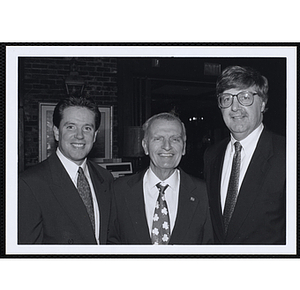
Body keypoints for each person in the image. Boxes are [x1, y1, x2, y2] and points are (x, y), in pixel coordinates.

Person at [204, 65, 286, 244]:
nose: (234, 107)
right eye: (226, 99)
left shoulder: (287, 154)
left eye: (245, 97)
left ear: (263, 104)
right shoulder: (212, 155)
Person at [18, 96, 114, 244]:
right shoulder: (30, 184)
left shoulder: (105, 178)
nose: (80, 135)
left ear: (94, 136)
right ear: (56, 132)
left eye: (87, 128)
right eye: (71, 127)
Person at [108, 112, 214, 245]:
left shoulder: (204, 193)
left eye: (175, 139)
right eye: (158, 139)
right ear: (145, 146)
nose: (167, 146)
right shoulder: (119, 190)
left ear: (184, 147)